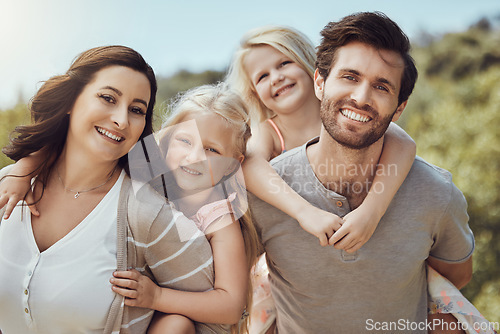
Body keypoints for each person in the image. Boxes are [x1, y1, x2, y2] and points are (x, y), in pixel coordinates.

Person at [246, 12, 474, 333]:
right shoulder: (265, 193)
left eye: (381, 86)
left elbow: (456, 278)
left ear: (399, 108)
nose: (361, 98)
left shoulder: (435, 191)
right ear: (320, 83)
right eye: (350, 77)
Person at [0, 46, 216, 334]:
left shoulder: (147, 216)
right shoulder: (9, 185)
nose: (122, 120)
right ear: (71, 100)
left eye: (136, 110)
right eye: (108, 98)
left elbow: (213, 319)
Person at [226, 25, 416, 333]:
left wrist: (371, 211)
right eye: (262, 76)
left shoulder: (345, 111)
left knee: (440, 302)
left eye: (284, 63)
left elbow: (404, 144)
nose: (276, 77)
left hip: (369, 255)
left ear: (313, 70)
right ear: (254, 92)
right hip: (298, 263)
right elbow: (247, 165)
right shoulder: (268, 132)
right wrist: (305, 213)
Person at [110, 84, 260, 334]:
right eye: (185, 141)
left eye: (212, 150)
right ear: (167, 141)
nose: (194, 157)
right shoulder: (148, 185)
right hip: (132, 310)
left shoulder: (219, 218)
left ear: (231, 166)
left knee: (175, 326)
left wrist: (157, 297)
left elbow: (231, 305)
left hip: (184, 317)